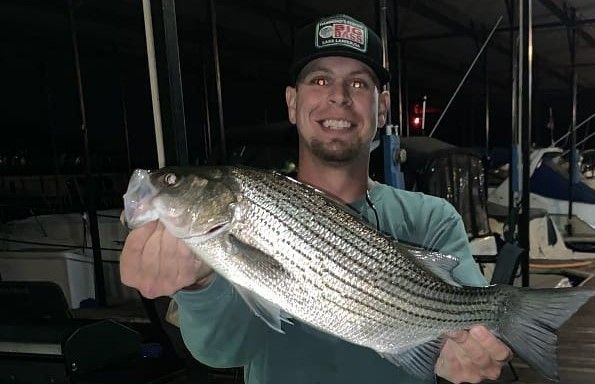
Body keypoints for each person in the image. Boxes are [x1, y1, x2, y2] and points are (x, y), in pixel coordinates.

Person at [120, 14, 511, 384]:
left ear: (382, 107)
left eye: (358, 83)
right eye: (319, 81)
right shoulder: (229, 228)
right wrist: (198, 288)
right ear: (292, 103)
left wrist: (468, 349)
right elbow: (222, 353)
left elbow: (472, 336)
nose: (338, 97)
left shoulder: (431, 219)